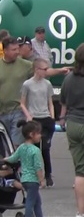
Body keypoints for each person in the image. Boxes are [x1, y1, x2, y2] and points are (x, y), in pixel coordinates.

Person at [20, 58, 55, 187]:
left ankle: (48, 175)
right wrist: (28, 116)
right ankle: (33, 175)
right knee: (33, 149)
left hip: (46, 118)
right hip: (34, 118)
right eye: (44, 69)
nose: (46, 71)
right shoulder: (27, 84)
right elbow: (22, 103)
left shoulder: (47, 84)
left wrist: (52, 117)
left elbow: (50, 102)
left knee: (45, 148)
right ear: (36, 69)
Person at [59, 44, 84, 217]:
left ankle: (80, 212)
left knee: (80, 171)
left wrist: (62, 119)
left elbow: (63, 102)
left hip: (73, 124)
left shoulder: (68, 79)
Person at [4, 120, 45, 217]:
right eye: (39, 133)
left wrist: (5, 159)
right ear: (31, 134)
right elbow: (38, 167)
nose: (40, 135)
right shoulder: (35, 150)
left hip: (24, 179)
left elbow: (13, 158)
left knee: (37, 202)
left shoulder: (22, 147)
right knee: (30, 203)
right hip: (33, 180)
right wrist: (41, 180)